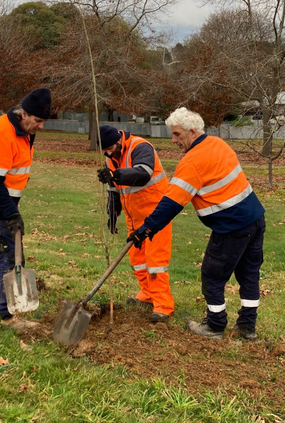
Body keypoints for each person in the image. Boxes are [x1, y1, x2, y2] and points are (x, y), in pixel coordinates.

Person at [127, 108, 265, 340]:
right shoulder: (218, 144)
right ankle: (247, 328)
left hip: (231, 228)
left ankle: (214, 326)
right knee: (249, 275)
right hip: (255, 219)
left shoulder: (192, 162)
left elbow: (171, 203)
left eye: (177, 135)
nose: (173, 140)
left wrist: (146, 229)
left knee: (212, 276)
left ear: (192, 132)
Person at [0, 87, 51, 329]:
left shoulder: (22, 130)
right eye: (37, 121)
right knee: (8, 256)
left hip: (4, 203)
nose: (41, 127)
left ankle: (15, 305)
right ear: (23, 114)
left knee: (16, 254)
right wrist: (11, 214)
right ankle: (8, 316)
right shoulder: (2, 135)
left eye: (43, 121)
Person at [96, 125, 174, 322]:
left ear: (118, 140)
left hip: (156, 215)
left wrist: (116, 175)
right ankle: (147, 294)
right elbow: (115, 189)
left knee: (155, 260)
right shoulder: (111, 157)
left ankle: (162, 305)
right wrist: (112, 213)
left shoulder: (140, 147)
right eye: (103, 150)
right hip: (134, 216)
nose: (107, 152)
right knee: (137, 258)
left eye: (108, 148)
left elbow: (143, 173)